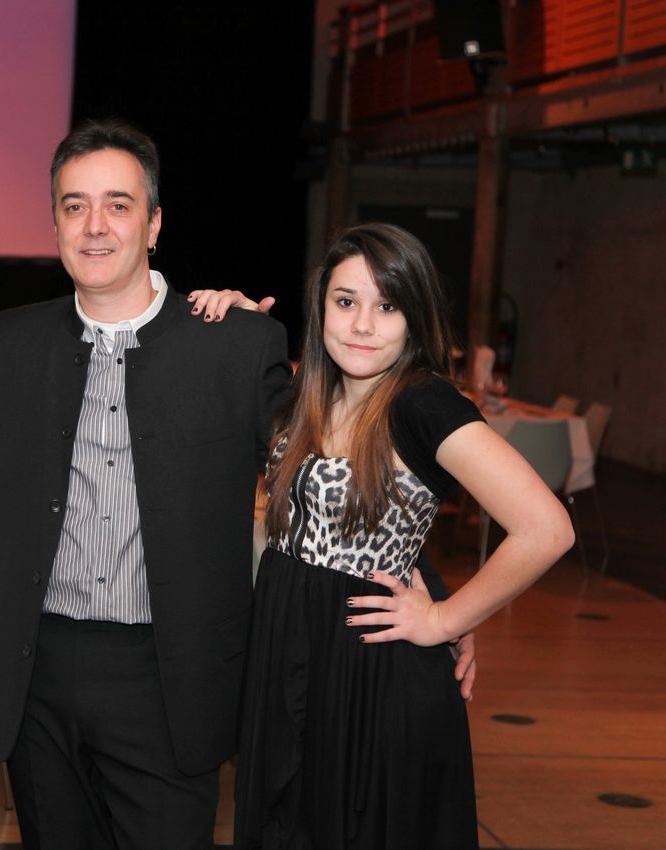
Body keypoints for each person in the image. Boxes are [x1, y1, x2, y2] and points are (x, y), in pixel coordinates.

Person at [0, 117, 293, 849]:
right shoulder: (4, 345)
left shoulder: (236, 345)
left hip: (171, 680)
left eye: (118, 205)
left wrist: (421, 582)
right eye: (74, 205)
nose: (94, 226)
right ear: (54, 223)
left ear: (154, 224)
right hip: (38, 673)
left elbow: (321, 482)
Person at [233, 222, 575, 849]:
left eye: (387, 306)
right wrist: (232, 318)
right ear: (321, 307)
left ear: (414, 318)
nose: (363, 325)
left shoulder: (423, 404)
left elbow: (546, 528)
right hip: (287, 654)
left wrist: (446, 619)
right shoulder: (306, 394)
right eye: (346, 302)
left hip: (369, 670)